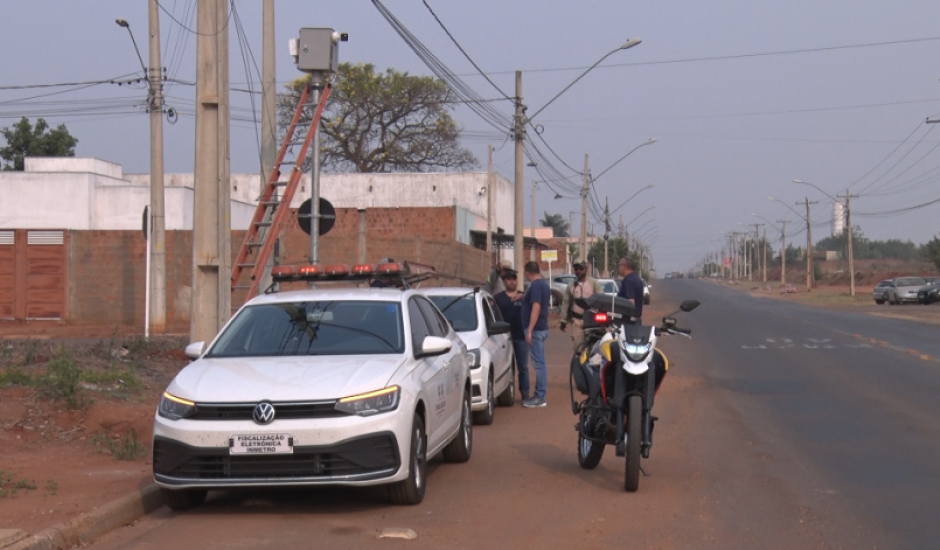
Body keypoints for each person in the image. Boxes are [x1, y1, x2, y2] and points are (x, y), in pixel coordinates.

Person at [493, 267, 529, 402]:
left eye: (514, 279)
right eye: (509, 279)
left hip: (520, 337)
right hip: (503, 338)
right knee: (504, 367)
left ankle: (525, 393)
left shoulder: (523, 296)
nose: (512, 281)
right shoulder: (498, 299)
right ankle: (504, 394)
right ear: (504, 281)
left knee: (523, 367)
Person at [520, 261, 550, 408]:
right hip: (541, 328)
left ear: (527, 273)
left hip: (536, 330)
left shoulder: (536, 285)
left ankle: (540, 396)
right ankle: (540, 395)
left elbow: (536, 307)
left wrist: (530, 330)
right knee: (540, 363)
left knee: (539, 364)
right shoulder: (543, 285)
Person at [559, 261, 605, 352]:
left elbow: (602, 299)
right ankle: (579, 365)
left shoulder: (594, 283)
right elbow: (566, 303)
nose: (578, 271)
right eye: (576, 269)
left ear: (586, 269)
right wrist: (563, 320)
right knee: (578, 348)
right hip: (577, 321)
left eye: (581, 269)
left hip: (592, 321)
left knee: (593, 348)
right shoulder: (571, 286)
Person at [616, 257, 645, 324]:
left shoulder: (629, 281)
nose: (618, 268)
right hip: (636, 321)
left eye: (619, 265)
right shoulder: (637, 279)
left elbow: (630, 302)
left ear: (625, 266)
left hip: (628, 322)